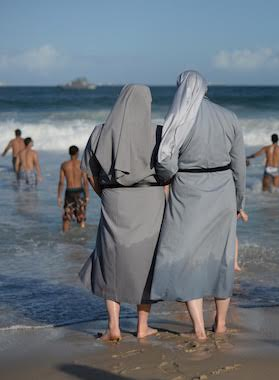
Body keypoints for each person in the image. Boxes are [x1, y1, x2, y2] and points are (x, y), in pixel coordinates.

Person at [151, 70, 246, 340]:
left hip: (188, 192)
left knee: (187, 258)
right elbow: (239, 165)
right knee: (222, 258)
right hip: (224, 190)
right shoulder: (229, 116)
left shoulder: (179, 118)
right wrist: (238, 202)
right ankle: (222, 324)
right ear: (205, 88)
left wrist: (163, 178)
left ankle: (199, 329)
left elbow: (166, 166)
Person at [79, 85, 165, 341]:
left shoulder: (99, 133)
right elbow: (169, 171)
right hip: (150, 199)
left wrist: (105, 194)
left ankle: (114, 328)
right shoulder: (157, 133)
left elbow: (89, 173)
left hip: (113, 199)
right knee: (146, 262)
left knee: (110, 261)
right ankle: (142, 327)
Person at [57, 145, 89, 232]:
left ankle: (65, 235)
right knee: (81, 216)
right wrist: (87, 196)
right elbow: (85, 182)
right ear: (77, 153)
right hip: (80, 192)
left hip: (69, 192)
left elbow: (61, 182)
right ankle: (82, 236)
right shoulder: (81, 164)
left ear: (69, 153)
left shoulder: (64, 165)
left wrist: (59, 197)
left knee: (67, 217)